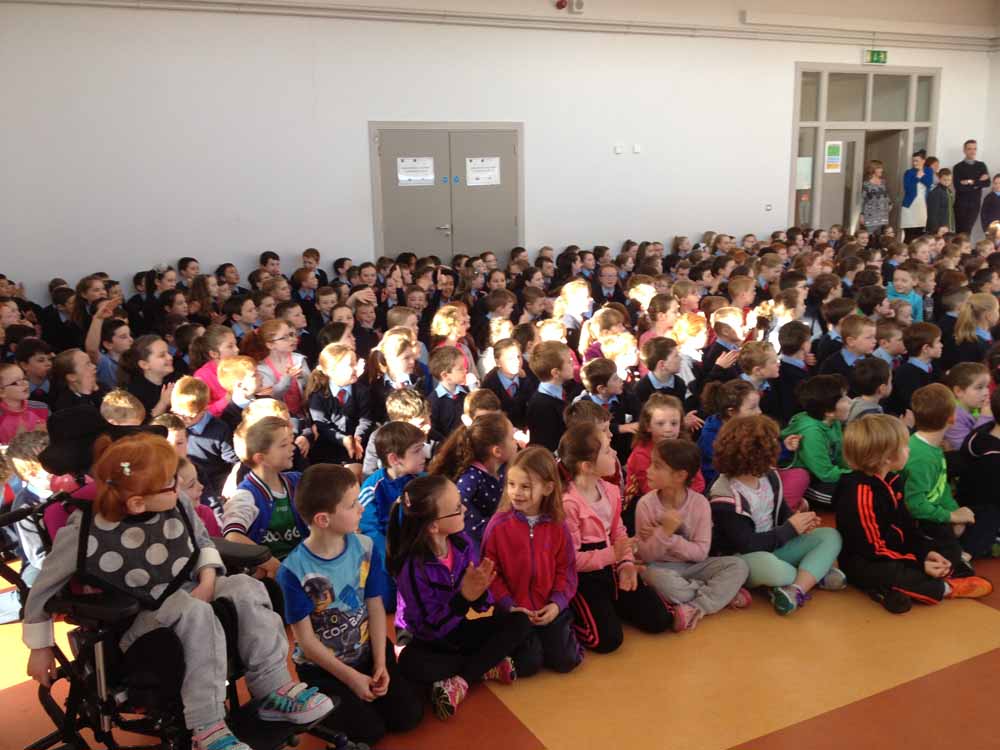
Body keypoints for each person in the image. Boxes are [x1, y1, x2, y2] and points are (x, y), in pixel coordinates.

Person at [23, 433, 333, 750]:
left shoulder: (177, 503)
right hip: (140, 618)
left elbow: (204, 544)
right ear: (137, 502)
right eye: (170, 483)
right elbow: (45, 586)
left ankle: (272, 690)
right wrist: (40, 647)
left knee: (247, 586)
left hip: (192, 588)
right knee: (194, 611)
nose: (178, 486)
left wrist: (208, 580)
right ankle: (207, 728)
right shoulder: (84, 530)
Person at [277, 464, 422, 746]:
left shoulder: (365, 547)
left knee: (408, 717)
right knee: (370, 732)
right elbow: (306, 643)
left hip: (367, 652)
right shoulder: (292, 571)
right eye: (352, 504)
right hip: (324, 669)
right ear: (323, 519)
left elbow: (375, 607)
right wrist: (352, 678)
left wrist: (380, 662)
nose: (361, 508)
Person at [388, 475, 532, 720]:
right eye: (457, 508)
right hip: (422, 637)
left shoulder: (462, 543)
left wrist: (481, 594)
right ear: (433, 526)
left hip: (456, 626)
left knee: (520, 623)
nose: (465, 509)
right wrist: (464, 598)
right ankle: (480, 668)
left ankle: (460, 679)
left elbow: (479, 598)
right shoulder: (412, 568)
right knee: (411, 665)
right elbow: (431, 627)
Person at [835, 414, 993, 614]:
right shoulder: (860, 494)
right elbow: (873, 549)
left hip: (896, 550)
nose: (909, 449)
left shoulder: (893, 480)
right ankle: (946, 588)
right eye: (904, 446)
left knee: (943, 546)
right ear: (886, 458)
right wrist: (918, 563)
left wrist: (925, 553)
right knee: (895, 574)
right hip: (868, 559)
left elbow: (908, 527)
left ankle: (890, 590)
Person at [709, 415, 845, 615]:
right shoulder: (724, 495)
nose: (778, 448)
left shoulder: (769, 476)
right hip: (743, 558)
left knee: (831, 536)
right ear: (758, 454)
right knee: (778, 571)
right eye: (773, 445)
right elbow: (746, 544)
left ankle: (795, 589)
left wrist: (799, 521)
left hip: (775, 545)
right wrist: (790, 529)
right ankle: (812, 575)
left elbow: (781, 512)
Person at [561, 423, 672, 652]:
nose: (614, 453)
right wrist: (613, 554)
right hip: (583, 578)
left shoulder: (610, 491)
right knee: (607, 641)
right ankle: (570, 615)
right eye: (607, 450)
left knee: (660, 619)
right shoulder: (568, 503)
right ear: (587, 466)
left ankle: (610, 608)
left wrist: (626, 564)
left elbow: (619, 533)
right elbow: (572, 560)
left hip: (611, 567)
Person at [480, 447, 582, 676]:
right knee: (529, 664)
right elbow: (490, 574)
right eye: (511, 484)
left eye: (525, 486)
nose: (516, 492)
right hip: (513, 610)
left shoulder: (558, 525)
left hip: (549, 607)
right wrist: (509, 605)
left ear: (548, 488)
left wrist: (557, 603)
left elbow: (566, 569)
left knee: (566, 661)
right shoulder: (498, 525)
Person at [634, 439, 751, 631]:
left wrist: (669, 536)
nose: (648, 470)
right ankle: (720, 595)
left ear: (680, 476)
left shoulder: (700, 504)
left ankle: (696, 607)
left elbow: (700, 553)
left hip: (695, 566)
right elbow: (646, 556)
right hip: (661, 568)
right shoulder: (645, 505)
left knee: (738, 565)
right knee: (653, 578)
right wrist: (664, 531)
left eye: (657, 466)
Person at [901, 384, 979, 575]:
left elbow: (941, 487)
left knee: (973, 521)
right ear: (952, 418)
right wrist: (952, 517)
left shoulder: (932, 447)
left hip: (933, 512)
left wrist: (954, 512)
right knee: (959, 569)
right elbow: (916, 506)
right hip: (917, 520)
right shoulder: (921, 457)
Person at [223, 416, 307, 572]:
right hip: (271, 573)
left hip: (304, 564)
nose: (292, 448)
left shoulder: (296, 481)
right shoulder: (245, 495)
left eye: (291, 442)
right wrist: (271, 564)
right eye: (284, 445)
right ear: (261, 458)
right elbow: (232, 536)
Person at [359, 421, 427, 610]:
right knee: (386, 602)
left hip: (419, 553)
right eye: (417, 451)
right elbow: (370, 532)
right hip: (386, 558)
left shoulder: (424, 482)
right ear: (394, 459)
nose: (424, 455)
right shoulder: (372, 488)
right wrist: (392, 562)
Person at [427, 411, 517, 544]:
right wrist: (488, 527)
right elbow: (457, 510)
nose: (516, 442)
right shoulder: (471, 477)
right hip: (478, 544)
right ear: (497, 451)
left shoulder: (504, 468)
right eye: (512, 438)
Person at [781, 375, 851, 508]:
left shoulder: (834, 421)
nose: (850, 401)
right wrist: (856, 474)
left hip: (826, 473)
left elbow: (840, 456)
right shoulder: (811, 432)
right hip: (811, 480)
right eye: (843, 399)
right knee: (850, 498)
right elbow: (825, 474)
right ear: (829, 412)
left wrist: (855, 470)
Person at [305, 343, 373, 464]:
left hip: (359, 448)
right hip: (328, 452)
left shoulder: (362, 391)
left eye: (355, 363)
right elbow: (322, 425)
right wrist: (343, 439)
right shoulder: (318, 395)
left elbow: (365, 419)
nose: (356, 368)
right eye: (351, 365)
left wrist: (358, 437)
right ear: (331, 371)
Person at [525, 341, 574, 452]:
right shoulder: (541, 406)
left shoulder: (566, 388)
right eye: (569, 362)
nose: (572, 364)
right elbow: (547, 446)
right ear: (555, 373)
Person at [0, 362, 49, 444]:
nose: (25, 383)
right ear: (1, 392)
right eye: (15, 383)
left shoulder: (41, 407)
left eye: (24, 378)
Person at [952, 139, 990, 236]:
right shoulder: (958, 167)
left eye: (974, 149)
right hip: (961, 205)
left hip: (975, 204)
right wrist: (978, 182)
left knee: (967, 231)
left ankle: (964, 246)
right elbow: (959, 187)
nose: (972, 151)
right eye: (969, 149)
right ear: (964, 150)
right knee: (960, 232)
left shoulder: (981, 165)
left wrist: (970, 182)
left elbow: (987, 183)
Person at [900, 152, 935, 242]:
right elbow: (907, 188)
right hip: (910, 206)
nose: (914, 163)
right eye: (913, 161)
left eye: (917, 161)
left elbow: (929, 184)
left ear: (923, 161)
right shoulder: (908, 172)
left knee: (920, 234)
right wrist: (917, 177)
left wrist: (921, 176)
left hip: (922, 206)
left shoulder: (928, 171)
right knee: (909, 234)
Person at [861, 160, 892, 238]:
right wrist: (862, 215)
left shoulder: (883, 182)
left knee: (882, 237)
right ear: (873, 169)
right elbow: (863, 200)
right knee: (870, 237)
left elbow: (886, 195)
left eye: (881, 168)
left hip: (883, 214)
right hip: (871, 215)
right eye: (879, 168)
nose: (882, 170)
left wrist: (890, 203)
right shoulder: (866, 184)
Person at [926, 167, 956, 233]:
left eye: (949, 180)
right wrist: (936, 229)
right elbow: (932, 213)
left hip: (947, 226)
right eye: (944, 180)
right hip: (939, 227)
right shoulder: (936, 192)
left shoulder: (949, 191)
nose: (947, 182)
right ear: (939, 179)